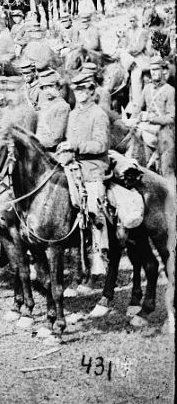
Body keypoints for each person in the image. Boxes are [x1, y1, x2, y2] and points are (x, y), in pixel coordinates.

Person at [58, 72, 111, 276]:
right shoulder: (73, 114)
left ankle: (100, 256)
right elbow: (69, 140)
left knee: (93, 208)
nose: (81, 93)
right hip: (72, 166)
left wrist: (76, 146)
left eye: (85, 89)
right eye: (77, 89)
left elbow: (101, 145)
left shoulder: (98, 114)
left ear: (91, 91)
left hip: (93, 168)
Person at [127, 56, 175, 172]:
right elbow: (138, 108)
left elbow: (171, 118)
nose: (153, 73)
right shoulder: (147, 88)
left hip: (163, 132)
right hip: (146, 129)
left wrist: (151, 118)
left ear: (163, 70)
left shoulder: (170, 90)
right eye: (152, 70)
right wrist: (132, 120)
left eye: (156, 69)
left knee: (166, 169)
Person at [35, 69, 70, 151]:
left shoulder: (62, 107)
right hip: (39, 147)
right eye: (44, 88)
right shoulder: (44, 105)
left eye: (50, 86)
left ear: (58, 87)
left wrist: (34, 143)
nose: (47, 91)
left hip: (51, 151)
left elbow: (55, 139)